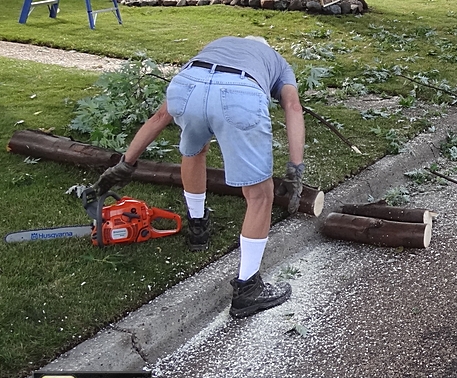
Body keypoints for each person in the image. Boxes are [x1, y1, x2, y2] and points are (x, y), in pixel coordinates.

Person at [95, 36, 306, 319]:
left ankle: (198, 228)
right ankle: (247, 290)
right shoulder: (278, 63)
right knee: (260, 195)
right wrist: (295, 168)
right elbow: (292, 107)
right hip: (239, 93)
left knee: (194, 150)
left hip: (187, 88)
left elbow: (160, 116)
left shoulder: (219, 45)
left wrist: (126, 163)